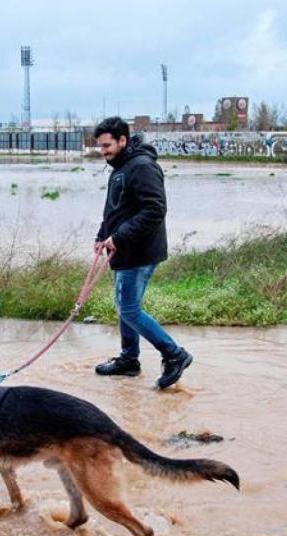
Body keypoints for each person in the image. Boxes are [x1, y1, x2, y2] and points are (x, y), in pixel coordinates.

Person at [92, 117, 192, 389]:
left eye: (107, 146)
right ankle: (129, 360)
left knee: (129, 308)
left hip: (139, 251)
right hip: (123, 250)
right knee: (125, 307)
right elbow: (115, 209)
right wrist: (103, 235)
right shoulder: (121, 167)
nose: (103, 152)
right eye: (100, 147)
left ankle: (174, 354)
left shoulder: (142, 167)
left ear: (123, 140)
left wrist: (119, 237)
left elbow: (155, 210)